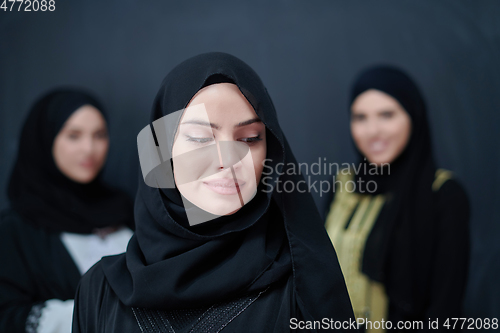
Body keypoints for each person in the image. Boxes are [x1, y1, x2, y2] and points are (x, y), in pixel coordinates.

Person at [72, 52, 356, 332]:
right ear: (162, 150)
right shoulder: (98, 291)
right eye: (200, 138)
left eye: (249, 139)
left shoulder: (302, 286)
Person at [323, 66, 470, 332]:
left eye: (387, 115)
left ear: (413, 116)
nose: (373, 131)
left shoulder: (443, 194)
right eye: (360, 117)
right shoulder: (343, 185)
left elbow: (445, 310)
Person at [0, 89, 134, 333]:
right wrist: (101, 315)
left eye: (99, 135)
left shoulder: (126, 210)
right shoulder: (14, 230)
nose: (89, 148)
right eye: (73, 136)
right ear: (46, 138)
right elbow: (7, 316)